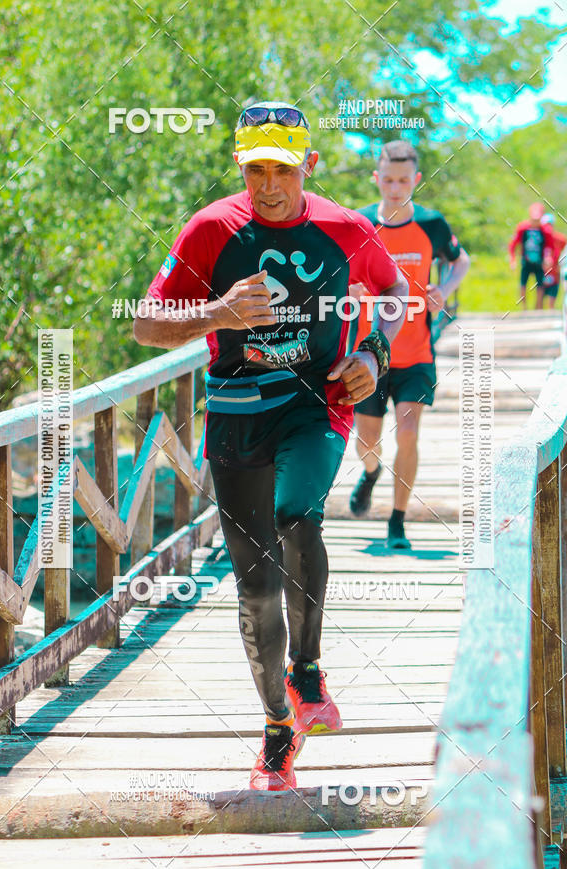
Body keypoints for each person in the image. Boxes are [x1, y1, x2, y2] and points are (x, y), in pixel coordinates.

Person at [134, 101, 408, 791]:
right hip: (235, 413)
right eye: (254, 168)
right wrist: (217, 312)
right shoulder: (211, 229)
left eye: (280, 169)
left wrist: (373, 355)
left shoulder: (345, 228)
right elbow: (145, 323)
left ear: (307, 165)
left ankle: (308, 671)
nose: (267, 184)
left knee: (297, 515)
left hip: (319, 405)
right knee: (254, 584)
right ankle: (278, 727)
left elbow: (396, 290)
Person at [347, 140, 470, 550]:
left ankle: (397, 522)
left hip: (416, 353)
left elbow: (461, 260)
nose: (395, 188)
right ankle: (369, 474)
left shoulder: (432, 224)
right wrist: (353, 289)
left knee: (409, 431)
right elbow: (341, 274)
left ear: (415, 180)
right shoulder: (359, 223)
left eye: (403, 180)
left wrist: (446, 289)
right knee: (367, 443)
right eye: (388, 179)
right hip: (368, 355)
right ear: (376, 178)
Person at [508, 202, 555, 310]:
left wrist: (548, 258)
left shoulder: (545, 230)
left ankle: (538, 307)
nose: (535, 222)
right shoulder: (523, 228)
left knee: (540, 285)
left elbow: (550, 246)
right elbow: (513, 245)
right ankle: (524, 308)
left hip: (539, 261)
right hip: (526, 260)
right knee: (523, 284)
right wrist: (513, 260)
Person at [540, 212, 567, 309]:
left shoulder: (561, 239)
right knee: (540, 294)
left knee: (552, 295)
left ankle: (550, 312)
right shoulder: (541, 238)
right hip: (543, 270)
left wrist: (560, 265)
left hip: (555, 270)